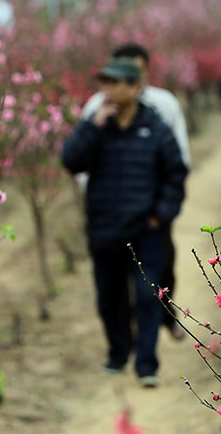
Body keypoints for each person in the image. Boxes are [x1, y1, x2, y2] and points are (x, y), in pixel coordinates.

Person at [62, 58, 188, 388]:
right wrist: (93, 126)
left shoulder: (156, 127)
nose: (109, 89)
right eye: (105, 82)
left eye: (116, 83)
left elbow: (176, 173)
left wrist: (161, 214)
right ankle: (119, 353)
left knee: (148, 298)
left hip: (145, 231)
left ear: (135, 87)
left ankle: (146, 364)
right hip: (104, 227)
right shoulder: (97, 127)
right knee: (109, 297)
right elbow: (70, 161)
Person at [80, 43, 190, 341]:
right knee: (114, 279)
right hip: (109, 213)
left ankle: (166, 317)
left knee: (160, 270)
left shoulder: (163, 104)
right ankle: (128, 328)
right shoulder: (97, 106)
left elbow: (179, 156)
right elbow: (79, 159)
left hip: (151, 210)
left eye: (134, 71)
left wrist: (163, 209)